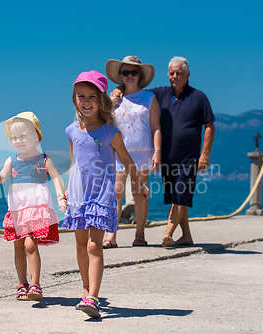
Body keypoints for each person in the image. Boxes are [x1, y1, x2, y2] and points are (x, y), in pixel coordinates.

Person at [62, 70, 148, 319]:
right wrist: (68, 189)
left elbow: (127, 161)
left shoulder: (111, 133)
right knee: (79, 245)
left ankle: (93, 298)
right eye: (81, 96)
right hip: (78, 195)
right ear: (74, 99)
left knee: (93, 244)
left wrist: (139, 184)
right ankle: (86, 290)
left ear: (101, 100)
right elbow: (73, 162)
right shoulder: (71, 131)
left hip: (102, 194)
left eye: (91, 96)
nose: (86, 101)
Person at [111, 56, 215, 247]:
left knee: (178, 194)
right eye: (171, 73)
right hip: (167, 155)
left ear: (188, 74)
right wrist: (117, 89)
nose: (175, 76)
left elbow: (209, 125)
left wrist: (205, 154)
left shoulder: (198, 97)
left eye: (179, 73)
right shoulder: (161, 93)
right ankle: (186, 236)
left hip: (186, 156)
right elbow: (132, 91)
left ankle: (165, 233)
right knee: (176, 197)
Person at [0, 112, 67, 301]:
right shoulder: (11, 160)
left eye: (24, 136)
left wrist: (61, 196)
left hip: (36, 208)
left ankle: (35, 284)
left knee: (30, 244)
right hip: (17, 209)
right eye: (14, 138)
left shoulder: (44, 159)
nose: (19, 140)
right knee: (19, 247)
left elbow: (55, 177)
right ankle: (22, 284)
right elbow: (1, 178)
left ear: (36, 136)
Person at [102, 55, 162, 248]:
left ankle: (140, 235)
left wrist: (157, 152)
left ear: (140, 75)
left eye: (133, 72)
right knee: (116, 192)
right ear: (120, 75)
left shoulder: (149, 98)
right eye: (125, 72)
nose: (129, 75)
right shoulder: (114, 98)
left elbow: (156, 127)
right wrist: (111, 102)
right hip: (118, 151)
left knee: (139, 193)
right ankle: (111, 236)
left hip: (143, 151)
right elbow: (105, 123)